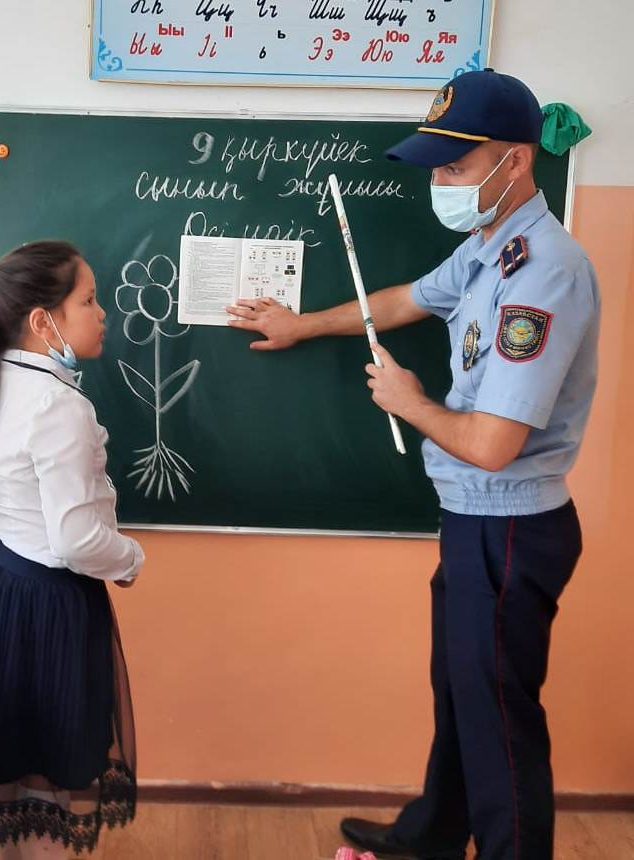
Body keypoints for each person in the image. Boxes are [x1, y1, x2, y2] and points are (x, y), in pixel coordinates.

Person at [227, 70, 599, 860]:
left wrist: (409, 401)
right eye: (436, 165)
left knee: (500, 722)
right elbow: (403, 300)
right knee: (465, 697)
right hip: (476, 522)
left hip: (508, 528)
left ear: (518, 161)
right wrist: (305, 326)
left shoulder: (544, 273)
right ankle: (433, 836)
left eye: (456, 167)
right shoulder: (490, 247)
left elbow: (494, 446)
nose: (441, 181)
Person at [0, 241, 143, 857]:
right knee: (54, 773)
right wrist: (131, 560)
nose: (102, 312)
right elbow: (77, 539)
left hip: (4, 586)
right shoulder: (58, 405)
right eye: (88, 300)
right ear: (43, 320)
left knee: (17, 775)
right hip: (48, 603)